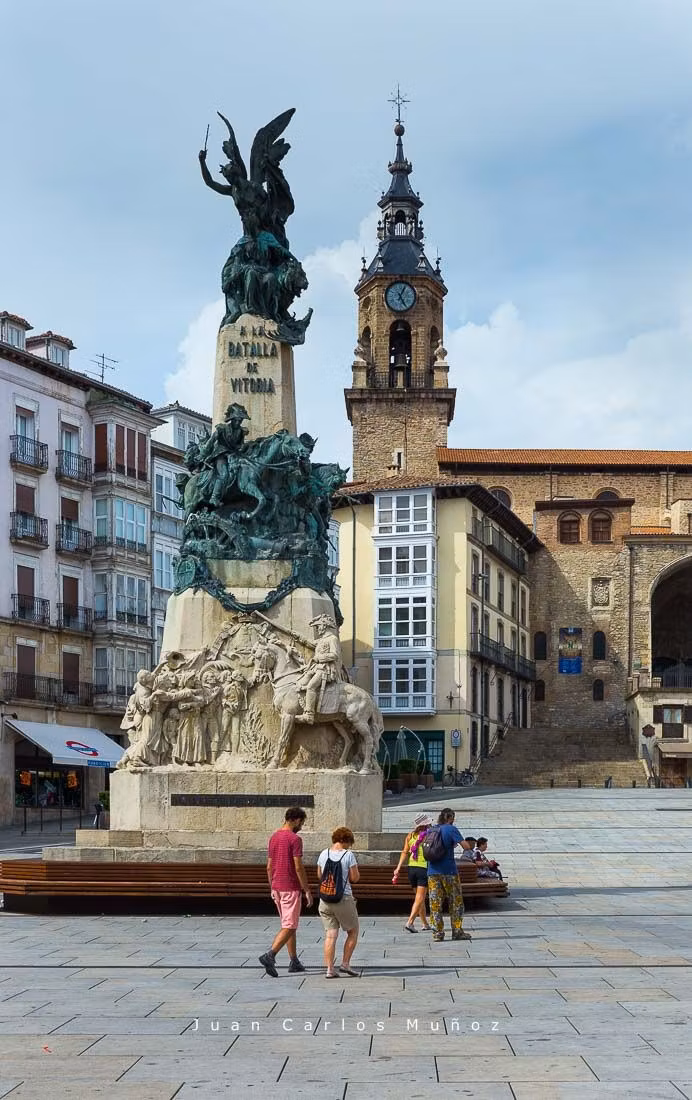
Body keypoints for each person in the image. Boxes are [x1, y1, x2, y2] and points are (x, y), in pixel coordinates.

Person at [259, 807, 313, 977]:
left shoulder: (274, 837)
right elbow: (298, 866)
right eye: (302, 823)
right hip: (290, 886)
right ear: (296, 820)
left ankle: (294, 960)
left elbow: (269, 866)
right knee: (290, 925)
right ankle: (270, 955)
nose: (301, 827)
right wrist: (307, 889)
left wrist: (272, 886)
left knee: (288, 925)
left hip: (276, 886)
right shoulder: (294, 839)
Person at [316, 827, 360, 978]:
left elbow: (319, 875)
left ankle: (329, 969)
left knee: (330, 935)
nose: (350, 846)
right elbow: (354, 878)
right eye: (349, 843)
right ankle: (345, 964)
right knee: (353, 931)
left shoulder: (323, 853)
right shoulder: (348, 855)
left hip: (325, 899)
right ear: (346, 841)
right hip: (343, 898)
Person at [426, 808, 472, 942]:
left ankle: (437, 933)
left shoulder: (432, 830)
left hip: (432, 872)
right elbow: (466, 846)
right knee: (455, 902)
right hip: (449, 872)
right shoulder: (451, 829)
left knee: (435, 903)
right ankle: (457, 931)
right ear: (450, 818)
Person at [392, 812, 433, 932]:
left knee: (419, 897)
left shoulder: (410, 835)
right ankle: (410, 922)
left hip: (411, 868)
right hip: (423, 868)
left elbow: (405, 852)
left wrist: (398, 868)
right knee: (420, 897)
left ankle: (425, 923)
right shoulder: (428, 835)